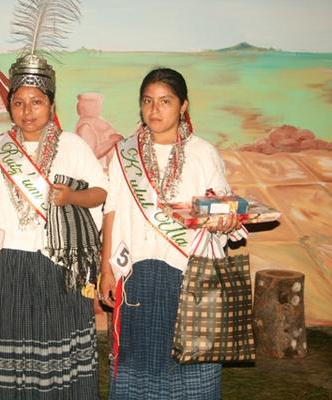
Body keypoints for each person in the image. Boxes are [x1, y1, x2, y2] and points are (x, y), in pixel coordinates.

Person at [0, 53, 107, 399]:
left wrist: (72, 197)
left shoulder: (72, 146)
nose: (27, 111)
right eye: (19, 102)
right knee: (11, 357)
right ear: (9, 105)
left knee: (59, 352)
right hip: (8, 264)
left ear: (51, 104)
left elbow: (101, 193)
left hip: (58, 266)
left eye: (37, 102)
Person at [99, 68, 244, 399]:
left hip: (189, 274)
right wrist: (106, 267)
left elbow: (221, 207)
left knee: (191, 365)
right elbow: (112, 211)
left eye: (165, 101)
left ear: (183, 106)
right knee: (136, 361)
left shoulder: (203, 153)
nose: (154, 110)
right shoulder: (124, 154)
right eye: (148, 101)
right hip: (137, 272)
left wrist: (224, 221)